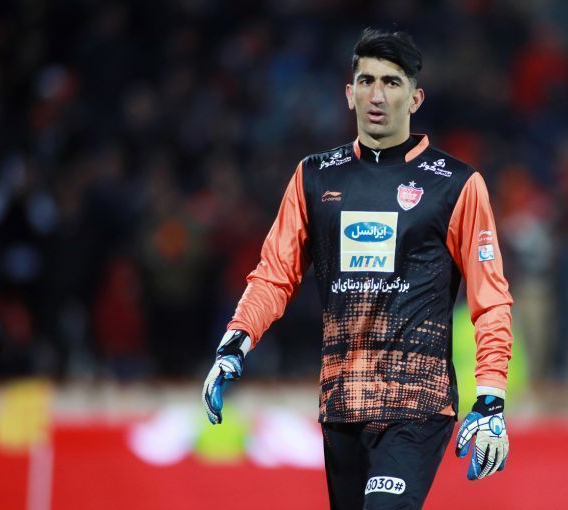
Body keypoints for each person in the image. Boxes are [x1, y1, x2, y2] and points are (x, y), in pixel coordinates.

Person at [203, 28, 514, 509]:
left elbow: (490, 299)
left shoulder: (456, 184)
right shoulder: (314, 176)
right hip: (342, 401)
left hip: (418, 402)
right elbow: (274, 274)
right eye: (366, 81)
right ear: (349, 94)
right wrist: (235, 342)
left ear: (415, 98)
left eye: (391, 83)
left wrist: (490, 396)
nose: (377, 95)